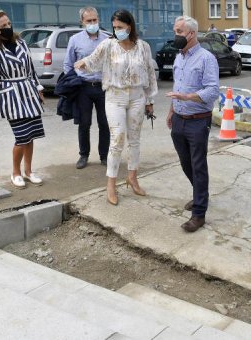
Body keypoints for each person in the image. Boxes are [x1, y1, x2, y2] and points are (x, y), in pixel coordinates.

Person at [74, 9, 157, 206]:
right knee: (117, 139)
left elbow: (150, 73)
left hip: (137, 96)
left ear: (130, 26)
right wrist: (82, 63)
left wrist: (150, 100)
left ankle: (132, 177)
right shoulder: (108, 45)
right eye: (115, 27)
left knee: (135, 140)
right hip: (115, 97)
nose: (117, 30)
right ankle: (111, 184)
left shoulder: (143, 47)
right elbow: (93, 60)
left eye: (120, 27)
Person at [0, 10, 45, 189]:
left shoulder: (20, 42)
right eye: (3, 26)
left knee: (31, 135)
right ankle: (15, 172)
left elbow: (30, 69)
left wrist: (39, 88)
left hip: (29, 91)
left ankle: (28, 171)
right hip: (11, 95)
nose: (8, 28)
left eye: (9, 24)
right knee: (21, 137)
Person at [166, 16, 220, 232]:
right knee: (185, 163)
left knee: (198, 166)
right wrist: (171, 111)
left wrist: (187, 97)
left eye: (179, 31)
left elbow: (212, 91)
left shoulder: (207, 59)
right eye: (175, 31)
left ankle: (199, 213)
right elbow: (176, 85)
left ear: (192, 33)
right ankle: (200, 194)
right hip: (179, 119)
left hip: (198, 121)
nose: (176, 35)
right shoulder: (179, 57)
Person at [64, 7, 111, 170]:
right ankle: (83, 155)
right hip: (83, 88)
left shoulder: (107, 40)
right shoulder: (75, 40)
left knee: (105, 123)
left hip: (103, 87)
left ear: (98, 20)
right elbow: (68, 64)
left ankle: (104, 156)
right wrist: (72, 80)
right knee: (84, 123)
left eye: (94, 20)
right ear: (82, 22)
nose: (92, 23)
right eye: (88, 21)